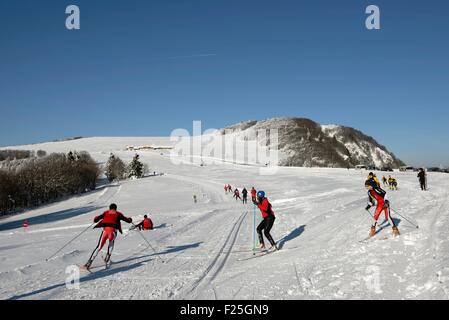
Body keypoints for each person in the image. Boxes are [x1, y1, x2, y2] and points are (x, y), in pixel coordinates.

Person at [83, 203, 132, 269]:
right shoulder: (118, 213)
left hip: (105, 231)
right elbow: (127, 220)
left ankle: (89, 262)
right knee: (111, 243)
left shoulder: (106, 212)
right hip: (113, 231)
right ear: (115, 208)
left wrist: (95, 220)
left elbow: (97, 218)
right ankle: (108, 256)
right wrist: (130, 220)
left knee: (99, 247)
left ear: (109, 208)